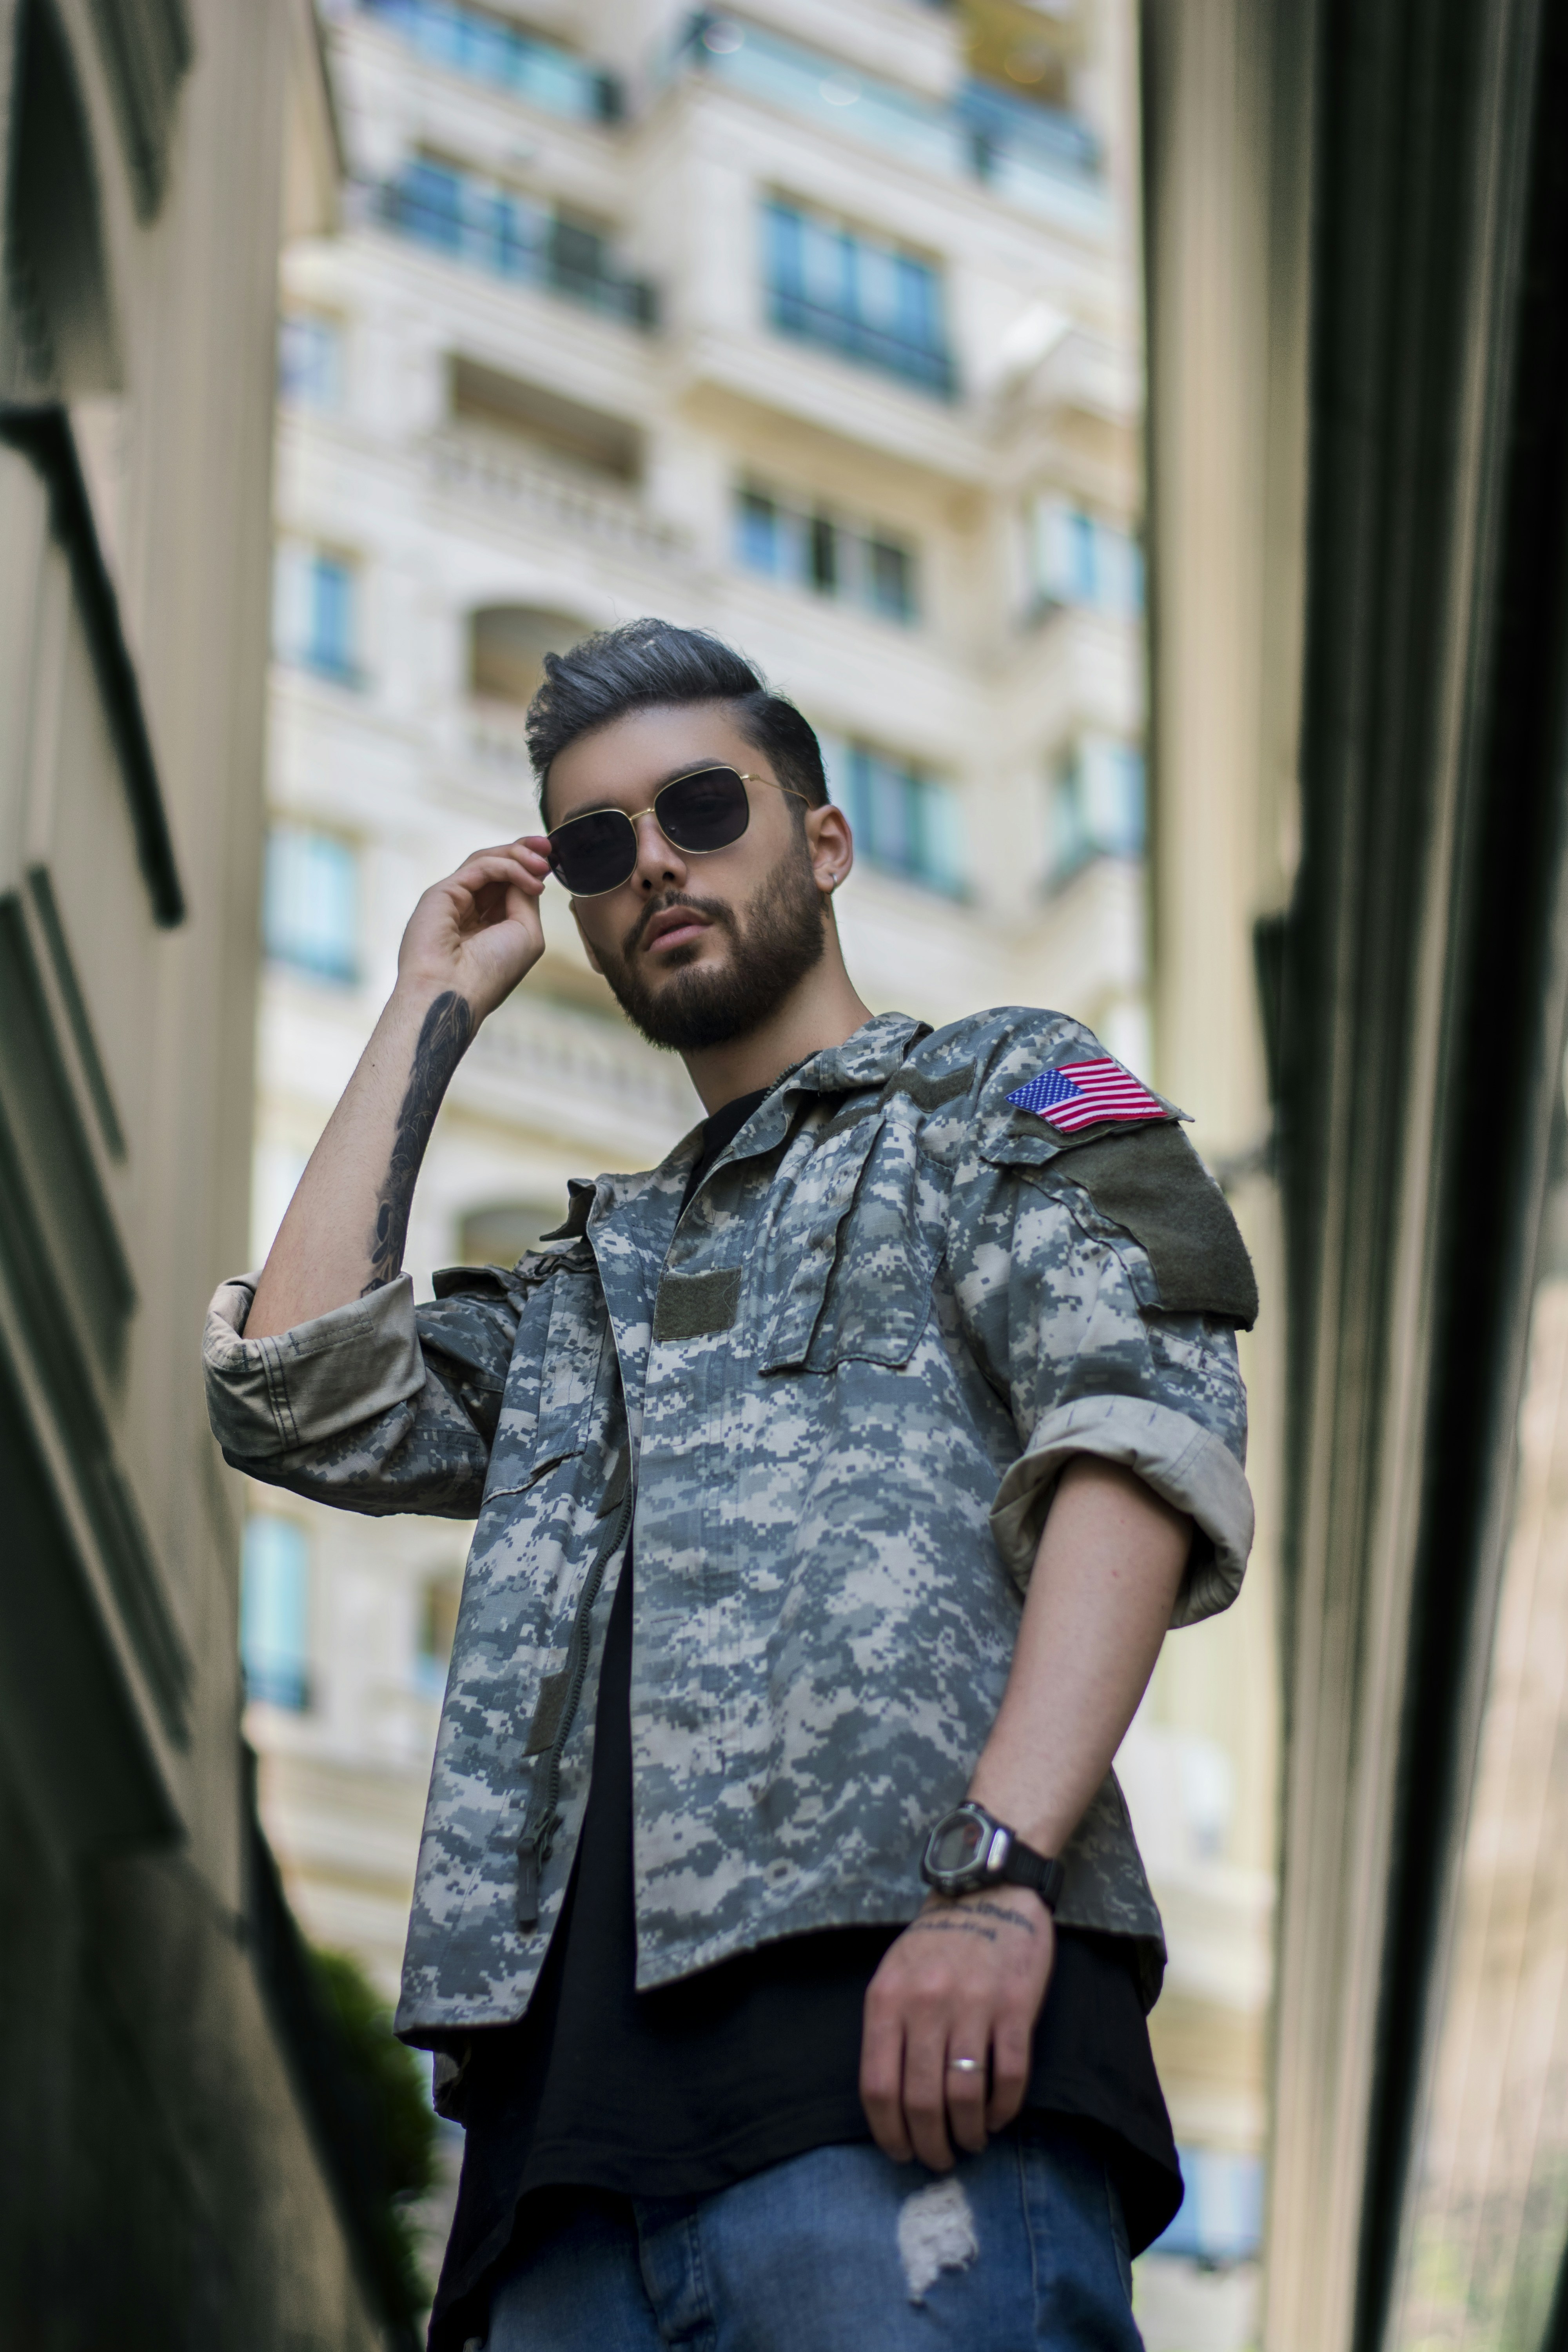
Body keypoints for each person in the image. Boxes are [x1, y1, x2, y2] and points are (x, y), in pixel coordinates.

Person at [204, 620, 1257, 2350]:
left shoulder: (991, 1096)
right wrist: (425, 1004)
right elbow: (305, 1399)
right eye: (601, 844)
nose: (655, 864)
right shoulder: (581, 1282)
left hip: (910, 2085)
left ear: (825, 844)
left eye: (702, 806)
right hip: (555, 2200)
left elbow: (1138, 1444)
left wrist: (998, 1878)